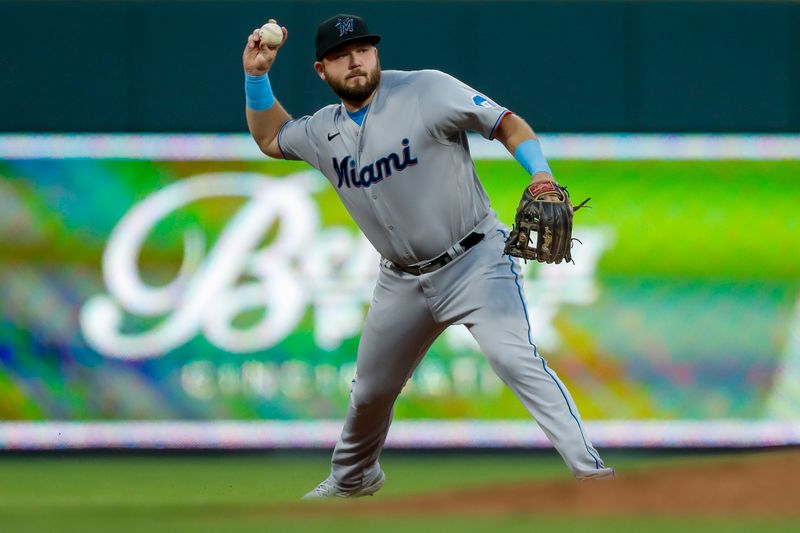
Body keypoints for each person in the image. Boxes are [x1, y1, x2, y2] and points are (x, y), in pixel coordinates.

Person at [242, 14, 614, 499]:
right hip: (401, 282)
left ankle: (591, 473)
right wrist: (256, 77)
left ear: (376, 54)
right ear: (321, 70)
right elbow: (271, 138)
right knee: (371, 392)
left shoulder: (427, 91)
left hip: (475, 261)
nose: (355, 60)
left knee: (514, 357)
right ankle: (353, 479)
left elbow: (504, 123)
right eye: (341, 55)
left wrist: (539, 174)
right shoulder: (321, 133)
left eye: (363, 49)